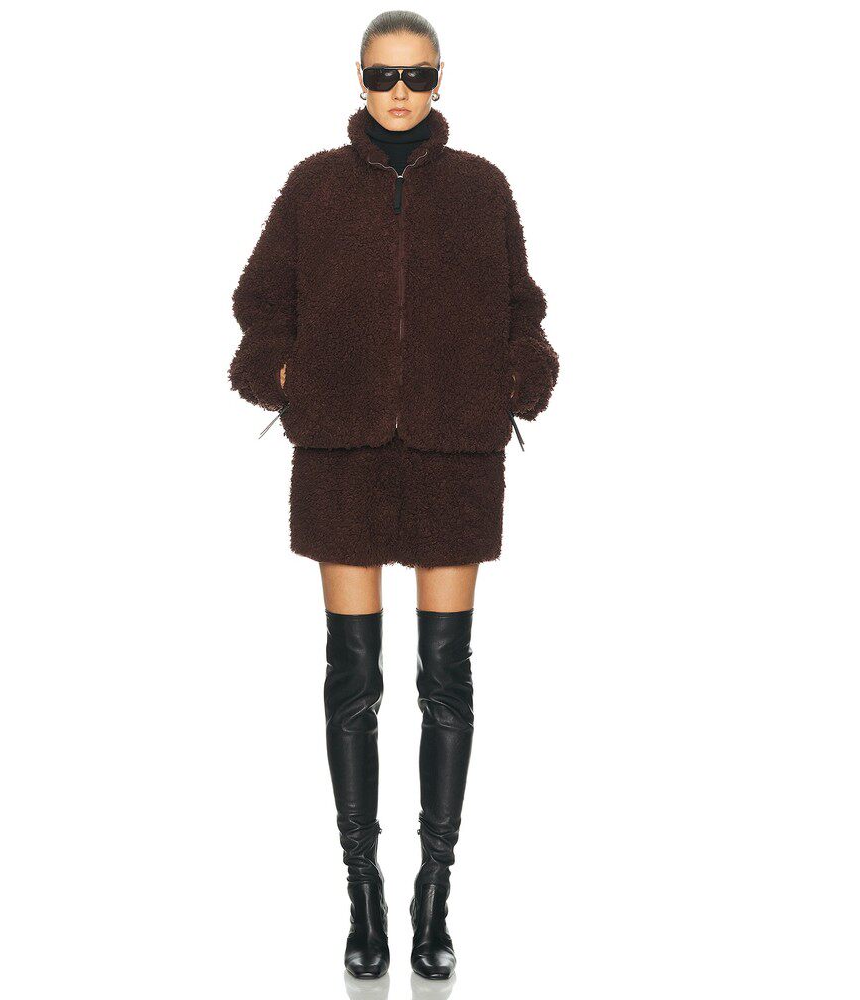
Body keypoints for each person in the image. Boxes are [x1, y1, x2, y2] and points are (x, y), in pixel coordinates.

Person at [228, 10, 558, 981]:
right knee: (353, 679)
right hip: (342, 455)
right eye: (382, 75)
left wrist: (518, 378)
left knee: (446, 680)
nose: (399, 92)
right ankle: (364, 893)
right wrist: (288, 377)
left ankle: (434, 894)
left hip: (456, 456)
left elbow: (523, 309)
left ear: (440, 78)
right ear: (360, 78)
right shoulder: (314, 185)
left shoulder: (482, 188)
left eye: (415, 75)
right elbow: (258, 303)